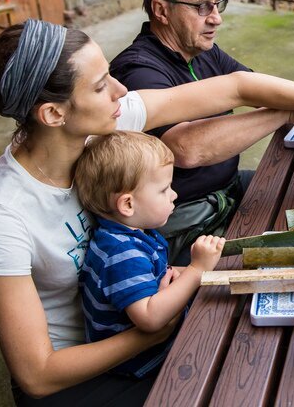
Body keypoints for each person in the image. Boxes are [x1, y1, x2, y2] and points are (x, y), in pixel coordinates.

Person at [0, 19, 294, 406]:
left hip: (142, 312)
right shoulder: (2, 214)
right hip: (87, 372)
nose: (121, 91)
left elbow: (236, 87)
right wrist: (153, 332)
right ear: (54, 113)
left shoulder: (102, 127)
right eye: (99, 86)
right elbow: (36, 375)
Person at [111, 0, 294, 262]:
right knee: (291, 258)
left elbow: (256, 87)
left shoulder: (200, 47)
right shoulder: (138, 70)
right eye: (202, 7)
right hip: (182, 217)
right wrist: (287, 112)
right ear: (161, 10)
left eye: (218, 5)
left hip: (227, 188)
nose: (217, 18)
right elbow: (186, 149)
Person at [76, 131, 223, 378]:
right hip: (149, 363)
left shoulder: (132, 234)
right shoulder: (121, 253)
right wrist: (198, 270)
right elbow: (150, 318)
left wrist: (209, 271)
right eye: (164, 189)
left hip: (165, 341)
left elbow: (161, 273)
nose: (174, 195)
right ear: (128, 205)